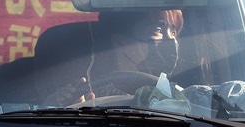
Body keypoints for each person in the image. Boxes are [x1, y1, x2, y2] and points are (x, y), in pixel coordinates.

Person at [43, 10, 184, 104]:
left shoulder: (173, 93)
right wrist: (75, 109)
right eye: (158, 30)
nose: (171, 40)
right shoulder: (84, 88)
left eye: (173, 31)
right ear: (121, 39)